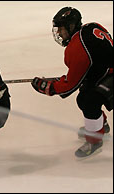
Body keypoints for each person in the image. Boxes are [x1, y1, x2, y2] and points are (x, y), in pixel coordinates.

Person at [31, 7, 113, 158]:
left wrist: (48, 87)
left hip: (109, 75)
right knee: (87, 91)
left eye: (61, 29)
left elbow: (70, 86)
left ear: (70, 26)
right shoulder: (92, 26)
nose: (59, 34)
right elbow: (88, 67)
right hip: (106, 72)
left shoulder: (76, 48)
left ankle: (95, 140)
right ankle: (101, 125)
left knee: (87, 100)